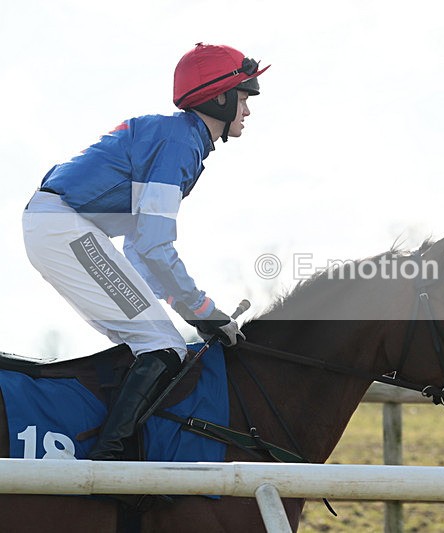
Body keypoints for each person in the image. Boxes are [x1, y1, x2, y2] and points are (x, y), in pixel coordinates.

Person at [21, 43, 269, 461]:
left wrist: (197, 314)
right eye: (244, 98)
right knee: (161, 346)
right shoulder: (179, 144)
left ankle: (116, 449)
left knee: (158, 342)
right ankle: (110, 457)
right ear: (220, 98)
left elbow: (141, 251)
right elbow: (154, 246)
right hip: (62, 226)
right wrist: (205, 311)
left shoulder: (179, 140)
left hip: (61, 226)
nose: (248, 110)